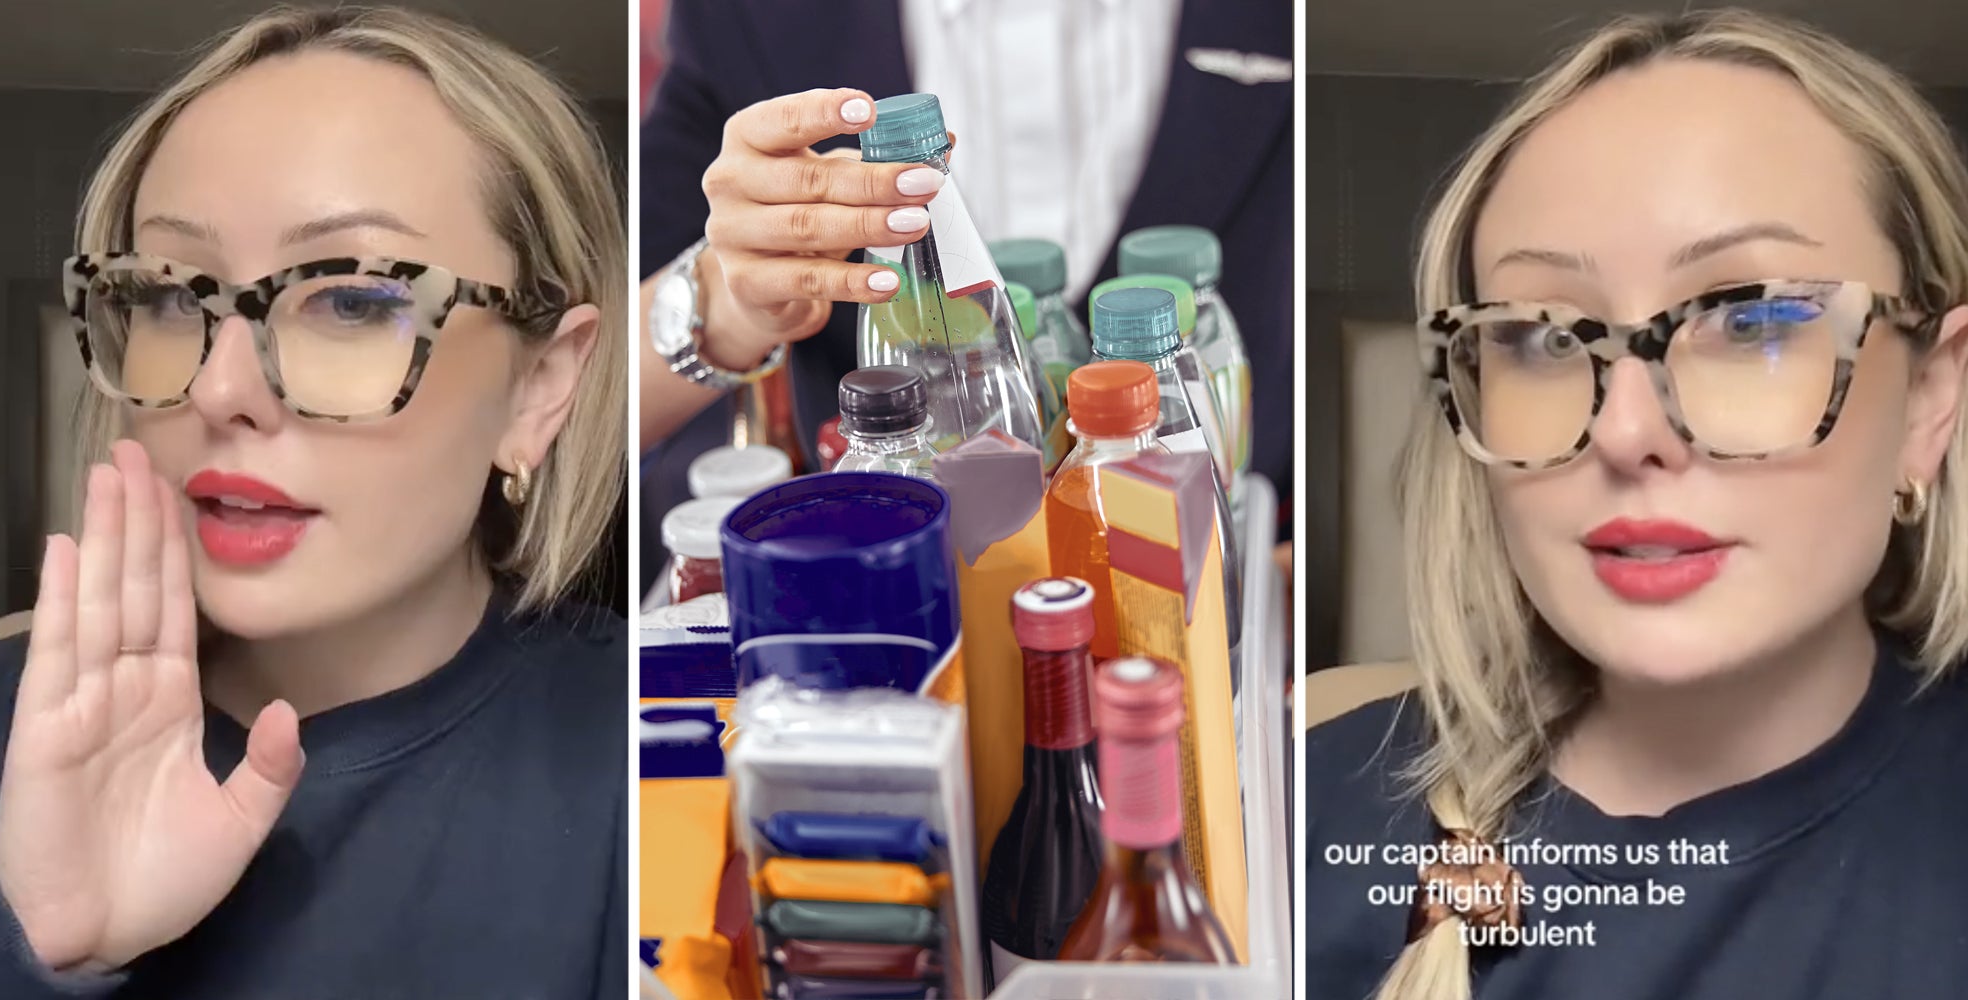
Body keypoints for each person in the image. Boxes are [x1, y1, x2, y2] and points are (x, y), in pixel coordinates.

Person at [0, 7, 628, 998]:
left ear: (539, 386)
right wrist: (39, 955)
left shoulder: (652, 740)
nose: (219, 387)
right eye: (169, 297)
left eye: (354, 300)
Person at [1307, 10, 1968, 999]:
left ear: (1928, 400)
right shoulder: (1292, 805)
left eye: (1749, 318)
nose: (1624, 430)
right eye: (1541, 337)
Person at [633, 0, 1294, 604]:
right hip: (894, 590)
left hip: (1235, 594)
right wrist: (732, 298)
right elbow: (590, 390)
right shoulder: (748, 16)